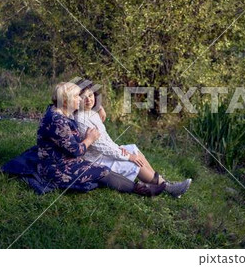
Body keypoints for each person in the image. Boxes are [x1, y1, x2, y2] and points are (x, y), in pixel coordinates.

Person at [36, 82, 166, 196]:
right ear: (66, 101)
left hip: (66, 160)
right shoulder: (58, 121)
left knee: (116, 162)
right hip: (59, 168)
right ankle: (142, 190)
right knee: (102, 171)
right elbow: (75, 151)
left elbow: (82, 92)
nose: (80, 99)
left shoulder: (59, 110)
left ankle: (154, 184)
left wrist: (99, 107)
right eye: (76, 97)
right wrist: (90, 139)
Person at [74, 81, 192, 198]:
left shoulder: (91, 113)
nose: (88, 100)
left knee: (133, 149)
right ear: (77, 100)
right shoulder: (81, 119)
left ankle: (162, 183)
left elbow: (105, 139)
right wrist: (128, 156)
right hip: (96, 160)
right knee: (133, 162)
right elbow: (101, 146)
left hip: (104, 153)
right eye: (83, 98)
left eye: (90, 95)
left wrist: (119, 148)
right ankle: (168, 188)